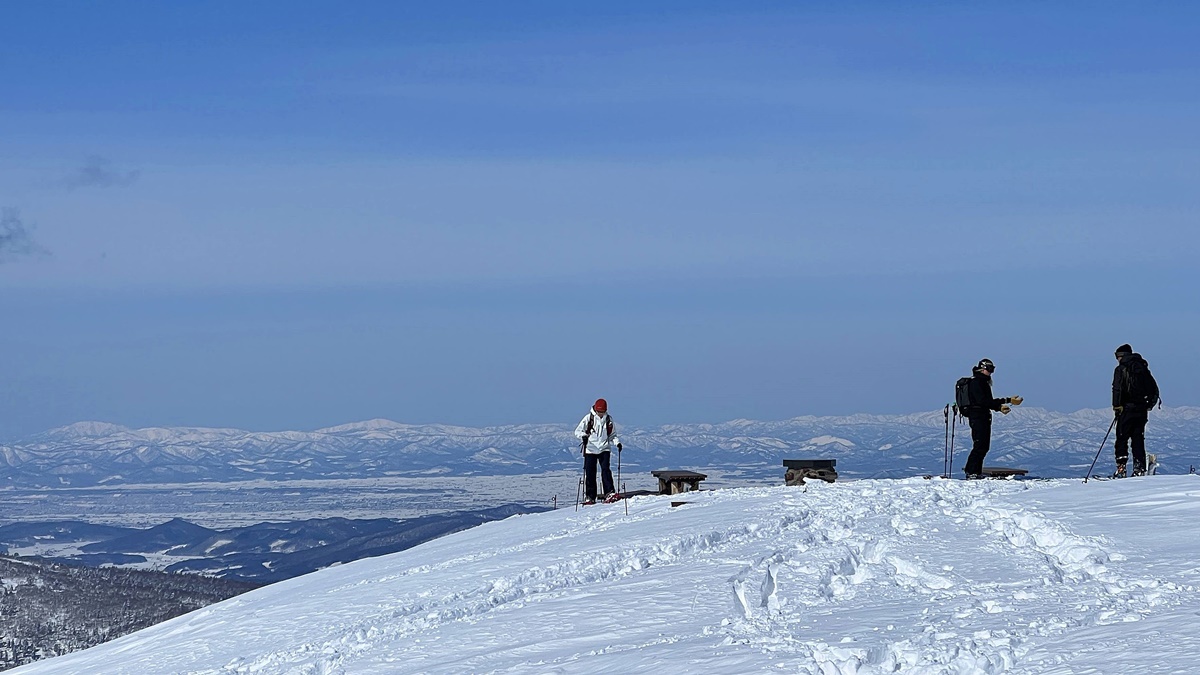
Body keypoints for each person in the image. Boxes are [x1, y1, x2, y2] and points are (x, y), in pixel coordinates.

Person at [960, 358, 1023, 478]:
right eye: (989, 369)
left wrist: (1007, 401)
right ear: (983, 369)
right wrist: (999, 406)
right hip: (978, 417)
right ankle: (972, 472)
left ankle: (974, 471)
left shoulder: (982, 382)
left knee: (982, 445)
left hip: (981, 416)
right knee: (980, 445)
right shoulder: (978, 382)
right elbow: (984, 401)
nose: (991, 372)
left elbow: (987, 401)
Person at [1112, 344, 1160, 478]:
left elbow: (1117, 389)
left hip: (1126, 409)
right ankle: (1139, 468)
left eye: (1118, 356)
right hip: (1141, 410)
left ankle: (1121, 468)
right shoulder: (1143, 369)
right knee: (1138, 439)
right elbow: (1154, 388)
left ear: (1122, 356)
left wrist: (1116, 406)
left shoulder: (1120, 369)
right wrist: (1149, 405)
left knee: (1122, 438)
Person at [574, 398, 622, 505]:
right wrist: (584, 436)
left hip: (604, 448)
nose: (600, 414)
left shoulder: (609, 420)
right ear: (595, 410)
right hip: (590, 449)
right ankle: (590, 496)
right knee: (590, 473)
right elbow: (577, 431)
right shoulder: (588, 418)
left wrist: (617, 443)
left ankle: (609, 492)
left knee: (606, 470)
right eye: (599, 412)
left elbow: (612, 435)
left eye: (602, 412)